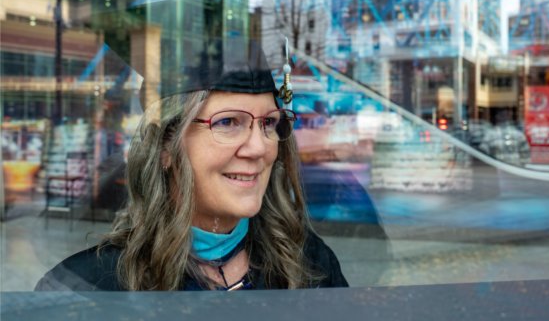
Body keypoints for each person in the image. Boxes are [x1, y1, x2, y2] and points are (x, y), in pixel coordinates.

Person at [35, 37, 348, 291]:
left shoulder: (309, 265)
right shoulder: (90, 288)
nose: (259, 147)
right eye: (227, 122)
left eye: (268, 123)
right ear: (166, 148)